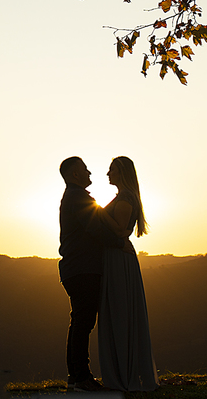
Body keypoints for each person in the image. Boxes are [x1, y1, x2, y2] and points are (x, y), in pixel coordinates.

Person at [57, 156, 122, 392]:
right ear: (75, 175)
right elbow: (95, 229)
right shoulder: (78, 198)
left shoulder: (73, 198)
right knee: (83, 323)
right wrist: (119, 241)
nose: (90, 174)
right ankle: (82, 377)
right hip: (83, 268)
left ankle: (76, 377)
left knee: (79, 322)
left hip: (74, 268)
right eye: (85, 170)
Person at [97, 156, 158, 391]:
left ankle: (124, 373)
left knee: (121, 311)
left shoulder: (125, 199)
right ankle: (123, 369)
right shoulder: (123, 197)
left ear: (121, 172)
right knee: (119, 311)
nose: (107, 174)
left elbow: (121, 232)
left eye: (111, 170)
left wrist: (100, 214)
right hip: (116, 257)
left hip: (119, 257)